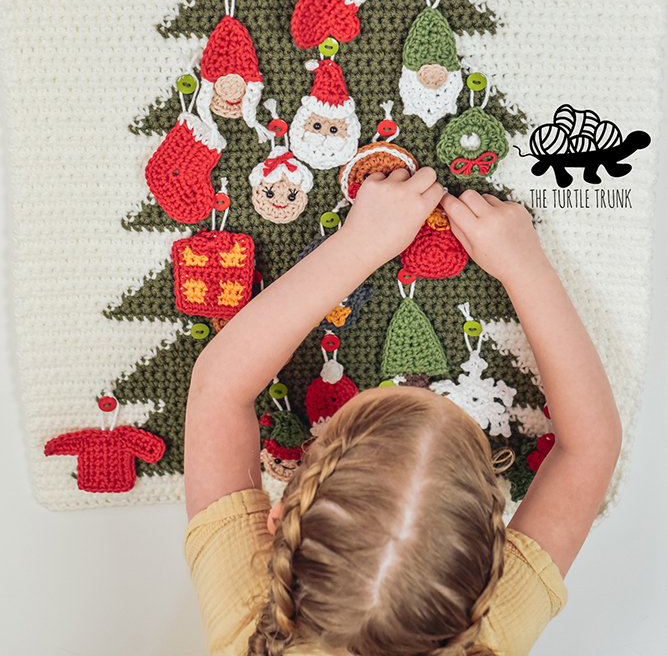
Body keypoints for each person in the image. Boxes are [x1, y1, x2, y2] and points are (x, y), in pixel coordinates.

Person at [184, 167, 622, 656]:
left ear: (282, 516)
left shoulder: (247, 613)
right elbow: (590, 447)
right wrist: (527, 269)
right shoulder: (487, 636)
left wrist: (358, 245)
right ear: (489, 582)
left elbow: (218, 387)